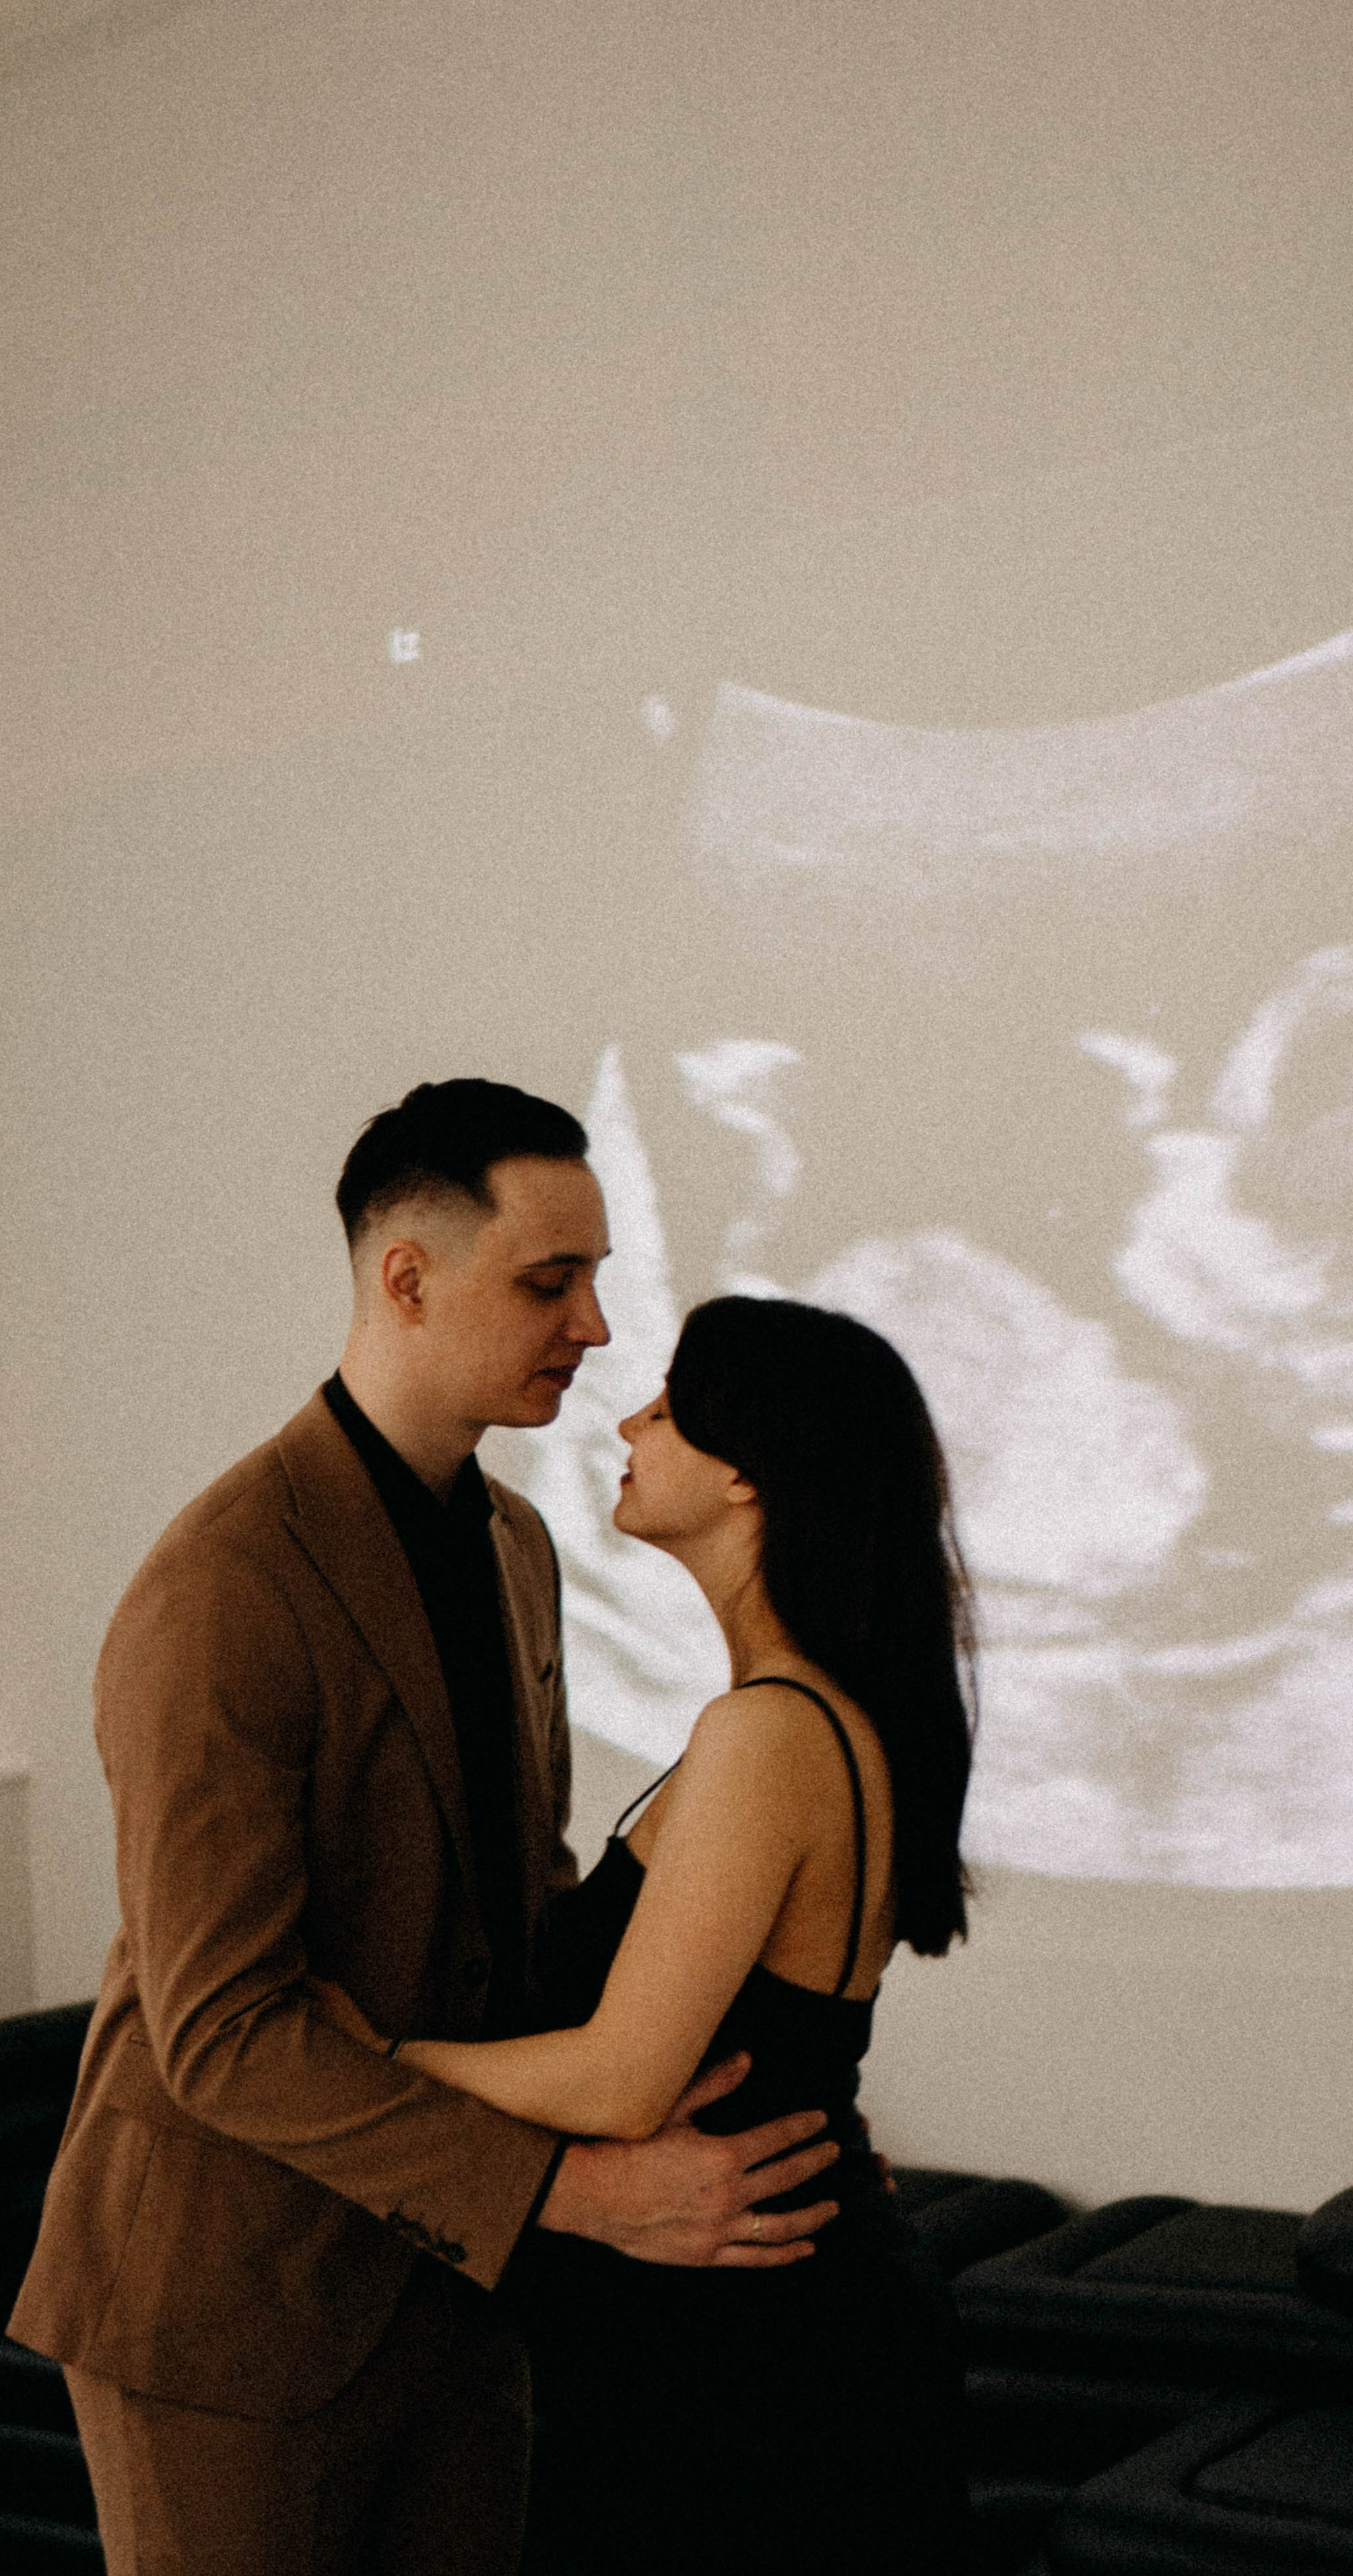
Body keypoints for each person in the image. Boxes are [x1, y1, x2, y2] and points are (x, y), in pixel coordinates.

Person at [7, 1079, 844, 2576]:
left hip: (460, 2300)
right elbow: (221, 2038)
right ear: (406, 1278)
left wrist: (771, 2099)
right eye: (550, 1281)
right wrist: (577, 2197)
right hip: (230, 2308)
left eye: (592, 1279)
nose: (593, 1327)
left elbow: (514, 1910)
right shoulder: (223, 1589)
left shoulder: (519, 1549)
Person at [313, 1291, 979, 2573]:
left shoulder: (772, 1734)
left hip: (757, 2368)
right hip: (751, 2337)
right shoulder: (804, 1719)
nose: (631, 1418)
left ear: (749, 1477)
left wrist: (372, 2057)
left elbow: (622, 2082)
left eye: (670, 1409)